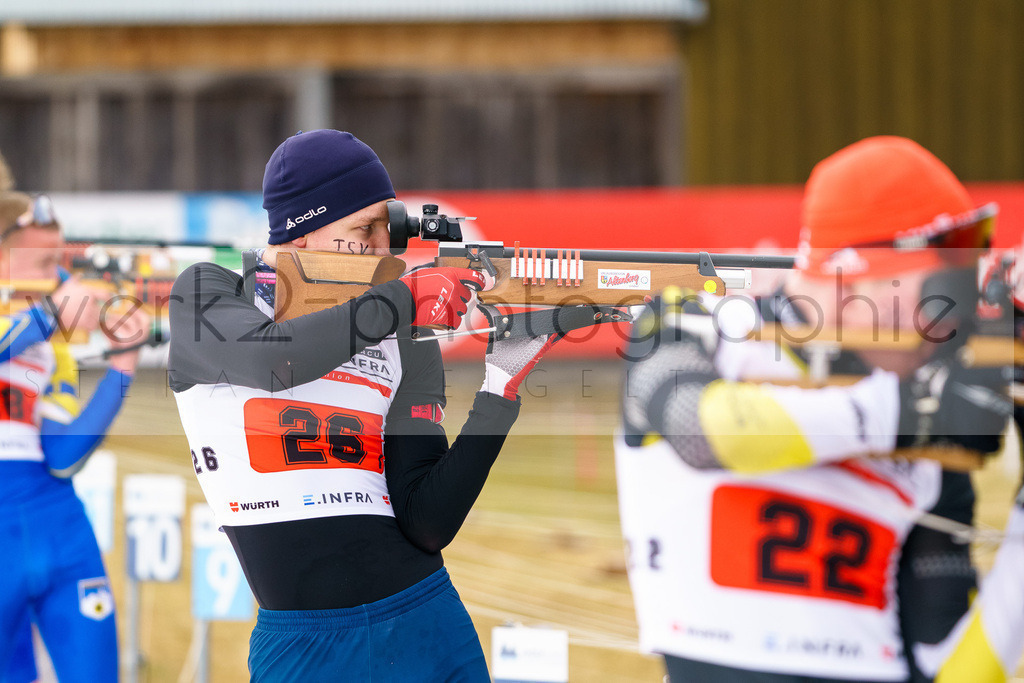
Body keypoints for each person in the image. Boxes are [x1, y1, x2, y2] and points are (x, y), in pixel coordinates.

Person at [167, 129, 581, 681]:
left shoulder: (401, 331)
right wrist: (404, 297)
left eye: (390, 229)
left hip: (427, 623)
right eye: (365, 230)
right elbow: (272, 361)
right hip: (302, 649)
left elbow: (427, 523)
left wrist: (498, 391)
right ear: (301, 232)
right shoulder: (208, 292)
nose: (385, 250)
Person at [616, 136, 1013, 682]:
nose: (954, 322)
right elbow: (702, 430)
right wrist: (903, 414)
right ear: (853, 277)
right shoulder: (696, 323)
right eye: (944, 290)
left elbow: (948, 670)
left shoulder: (935, 428)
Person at [0, 190, 150, 681]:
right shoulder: (41, 322)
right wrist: (50, 314)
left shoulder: (49, 349)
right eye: (45, 262)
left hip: (59, 526)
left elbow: (62, 457)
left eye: (60, 263)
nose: (60, 276)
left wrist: (123, 363)